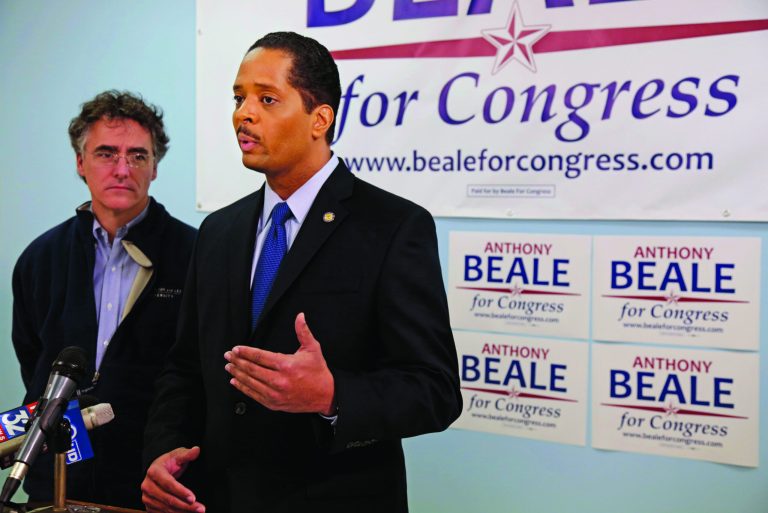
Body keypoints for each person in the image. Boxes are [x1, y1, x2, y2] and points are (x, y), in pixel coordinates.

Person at [140, 31, 462, 513]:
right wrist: (164, 450)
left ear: (320, 118)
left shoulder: (394, 227)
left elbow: (434, 390)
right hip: (216, 499)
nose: (243, 114)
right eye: (239, 98)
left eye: (267, 99)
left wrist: (333, 395)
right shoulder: (218, 231)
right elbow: (185, 368)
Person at [11, 90, 197, 509]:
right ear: (81, 163)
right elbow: (33, 362)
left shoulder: (196, 255)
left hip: (154, 482)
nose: (122, 169)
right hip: (57, 480)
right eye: (106, 153)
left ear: (154, 167)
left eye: (137, 156)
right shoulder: (40, 258)